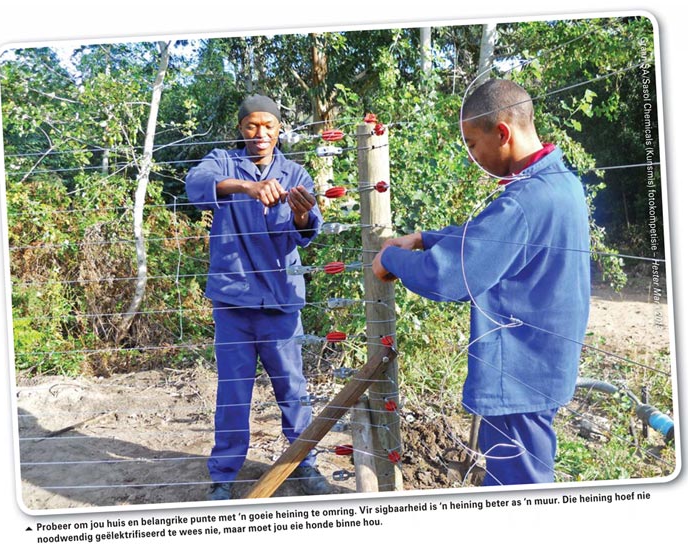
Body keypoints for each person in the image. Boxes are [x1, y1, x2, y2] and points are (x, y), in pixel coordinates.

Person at [372, 79, 591, 486]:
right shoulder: (560, 184)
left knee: (520, 488)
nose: (473, 156)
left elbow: (446, 277)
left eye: (473, 144)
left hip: (520, 376)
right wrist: (424, 238)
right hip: (541, 365)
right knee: (520, 475)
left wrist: (392, 258)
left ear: (503, 133)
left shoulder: (524, 202)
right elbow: (490, 236)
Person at [185, 94, 328, 500]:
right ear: (241, 129)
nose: (260, 133)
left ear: (280, 129)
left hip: (281, 302)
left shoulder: (296, 171)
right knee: (233, 392)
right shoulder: (223, 162)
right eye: (252, 125)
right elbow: (196, 184)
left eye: (268, 126)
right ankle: (224, 476)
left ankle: (305, 464)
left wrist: (302, 213)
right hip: (233, 303)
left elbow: (306, 229)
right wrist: (250, 187)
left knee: (292, 389)